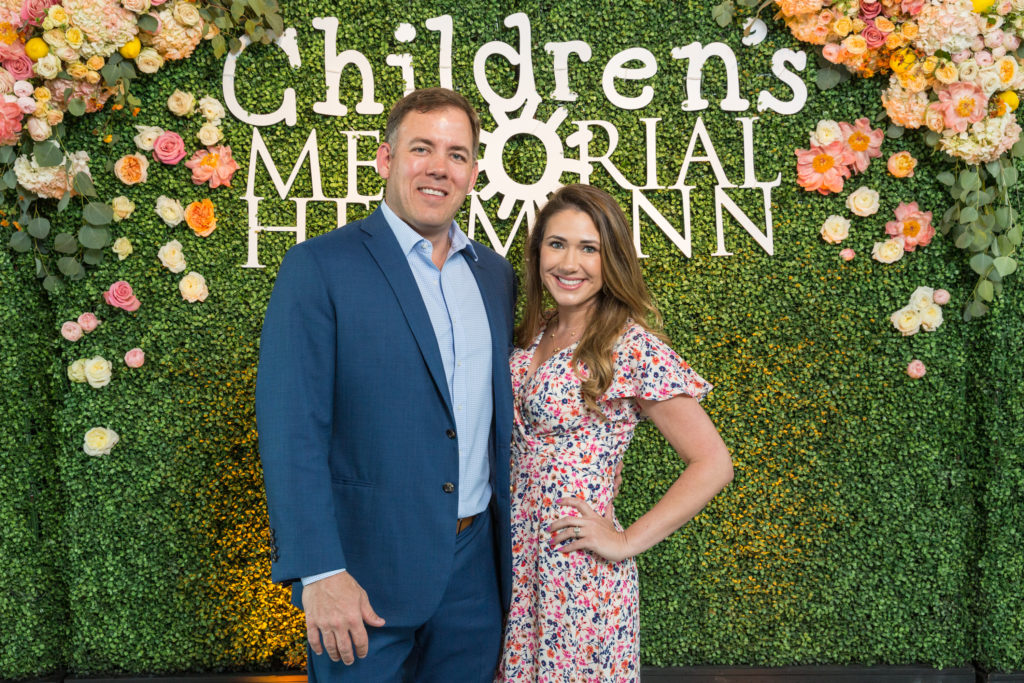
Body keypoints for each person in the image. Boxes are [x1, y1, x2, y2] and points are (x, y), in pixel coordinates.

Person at [255, 88, 516, 682]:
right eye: (421, 148)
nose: (438, 168)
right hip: (361, 576)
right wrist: (319, 572)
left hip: (476, 573)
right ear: (386, 158)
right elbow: (291, 428)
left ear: (473, 172)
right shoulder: (318, 266)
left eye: (456, 154)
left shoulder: (494, 274)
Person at [496, 184, 733, 681]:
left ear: (612, 259)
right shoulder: (532, 333)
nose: (569, 262)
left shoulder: (630, 345)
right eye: (557, 244)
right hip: (510, 562)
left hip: (576, 573)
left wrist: (624, 541)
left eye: (589, 248)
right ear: (538, 251)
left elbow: (712, 464)